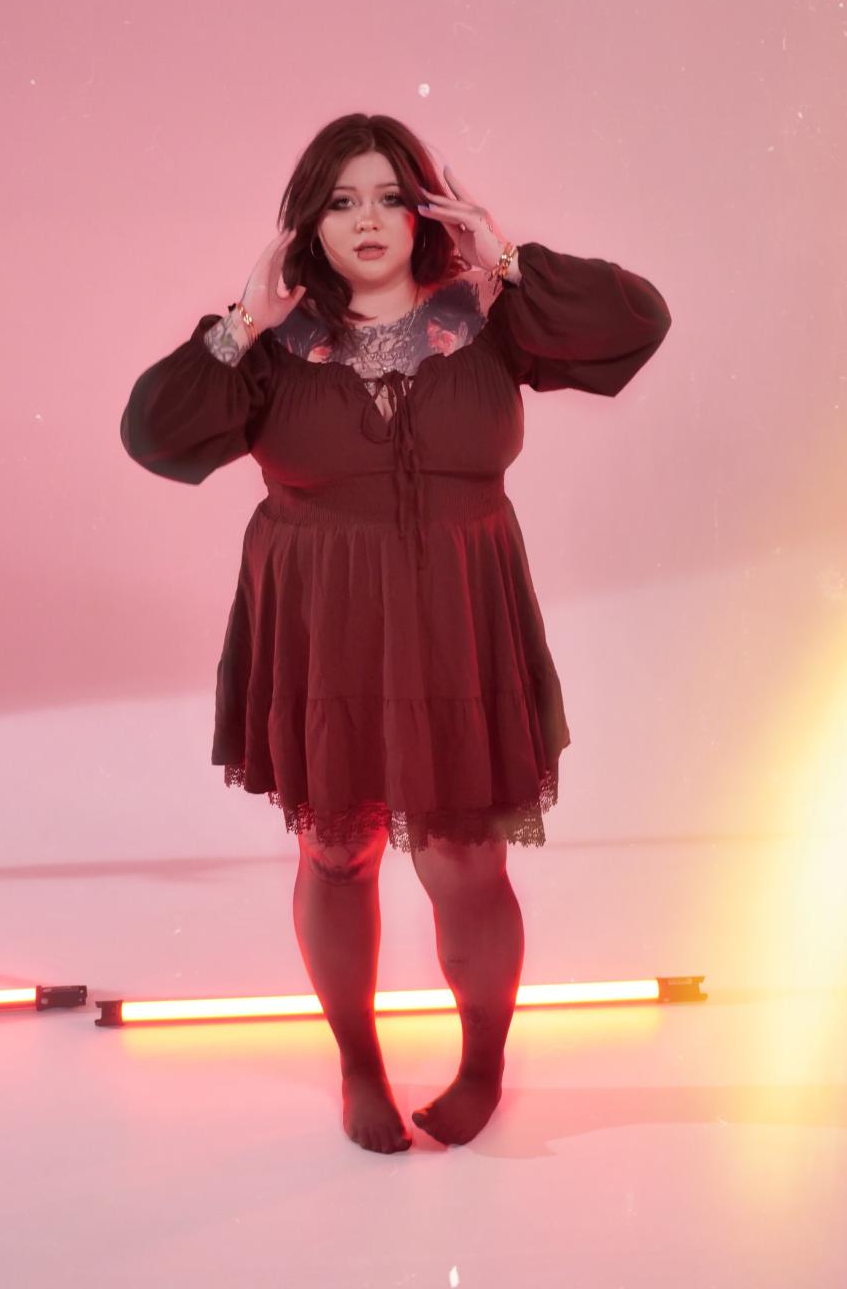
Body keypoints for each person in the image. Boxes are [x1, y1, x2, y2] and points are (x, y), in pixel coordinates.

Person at [120, 113, 672, 1154]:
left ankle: (484, 1065)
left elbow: (637, 320)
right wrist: (241, 322)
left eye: (388, 197)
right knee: (336, 853)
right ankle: (359, 1066)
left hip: (459, 622)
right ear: (308, 222)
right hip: (323, 629)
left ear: (425, 214)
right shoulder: (269, 345)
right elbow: (152, 434)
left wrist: (506, 258)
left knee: (466, 859)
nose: (366, 220)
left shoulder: (491, 317)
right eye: (341, 201)